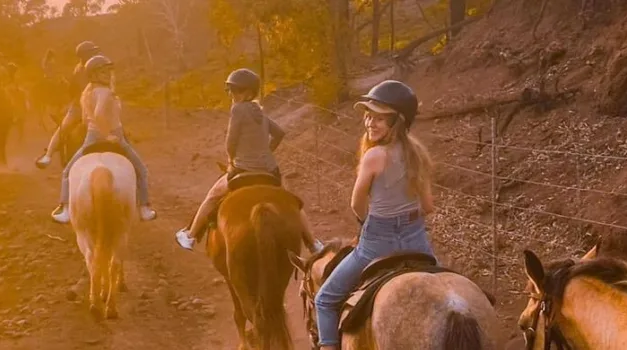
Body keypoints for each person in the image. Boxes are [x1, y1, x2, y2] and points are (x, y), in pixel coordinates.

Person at [312, 80, 436, 350]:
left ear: (398, 122)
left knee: (324, 299)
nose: (370, 122)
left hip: (376, 244)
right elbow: (428, 206)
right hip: (416, 241)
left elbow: (356, 203)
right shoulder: (419, 153)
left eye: (380, 118)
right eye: (368, 116)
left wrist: (370, 222)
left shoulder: (373, 156)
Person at [174, 68, 324, 254]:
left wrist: (231, 159)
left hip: (242, 170)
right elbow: (279, 134)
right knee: (293, 203)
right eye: (231, 90)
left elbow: (231, 141)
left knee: (212, 197)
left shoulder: (237, 109)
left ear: (249, 92)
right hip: (270, 171)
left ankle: (191, 236)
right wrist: (266, 151)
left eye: (236, 90)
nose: (232, 94)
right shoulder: (260, 113)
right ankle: (313, 244)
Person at [49, 55, 157, 223]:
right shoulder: (105, 92)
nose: (107, 74)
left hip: (91, 137)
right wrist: (107, 134)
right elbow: (99, 113)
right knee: (141, 170)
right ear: (93, 74)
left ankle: (65, 209)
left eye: (108, 71)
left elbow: (86, 119)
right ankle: (144, 208)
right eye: (103, 72)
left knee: (67, 172)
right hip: (114, 134)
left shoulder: (86, 92)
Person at [35, 41, 101, 168]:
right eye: (92, 52)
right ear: (84, 55)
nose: (95, 54)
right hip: (80, 107)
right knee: (63, 128)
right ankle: (48, 155)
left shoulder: (96, 67)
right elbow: (75, 90)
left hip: (96, 104)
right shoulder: (80, 70)